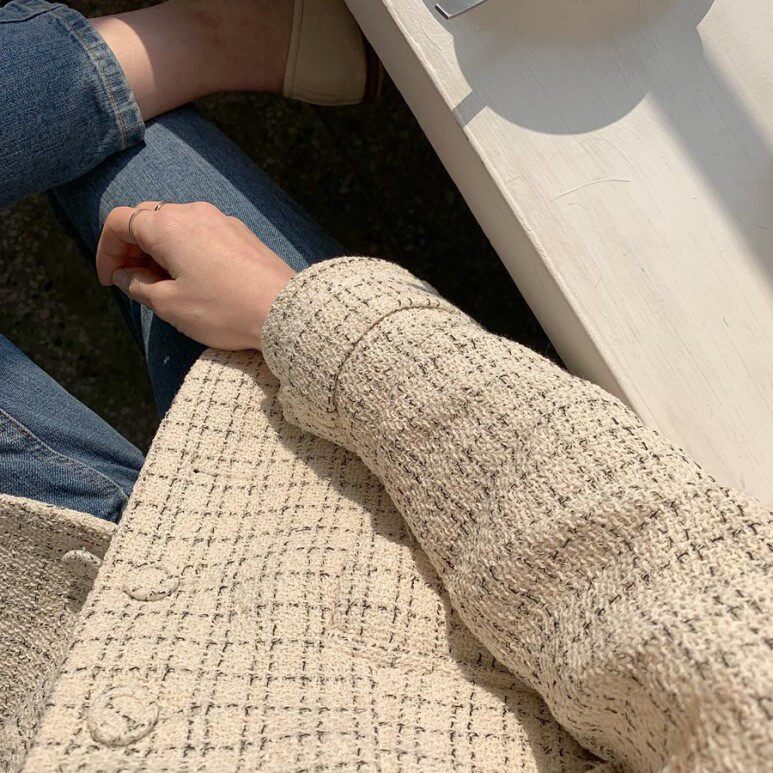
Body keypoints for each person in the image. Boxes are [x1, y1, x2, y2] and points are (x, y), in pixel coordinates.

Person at [0, 2, 769, 772]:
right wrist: (297, 317)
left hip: (58, 659)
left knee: (115, 146)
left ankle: (175, 47)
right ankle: (161, 52)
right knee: (142, 183)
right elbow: (645, 578)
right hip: (363, 595)